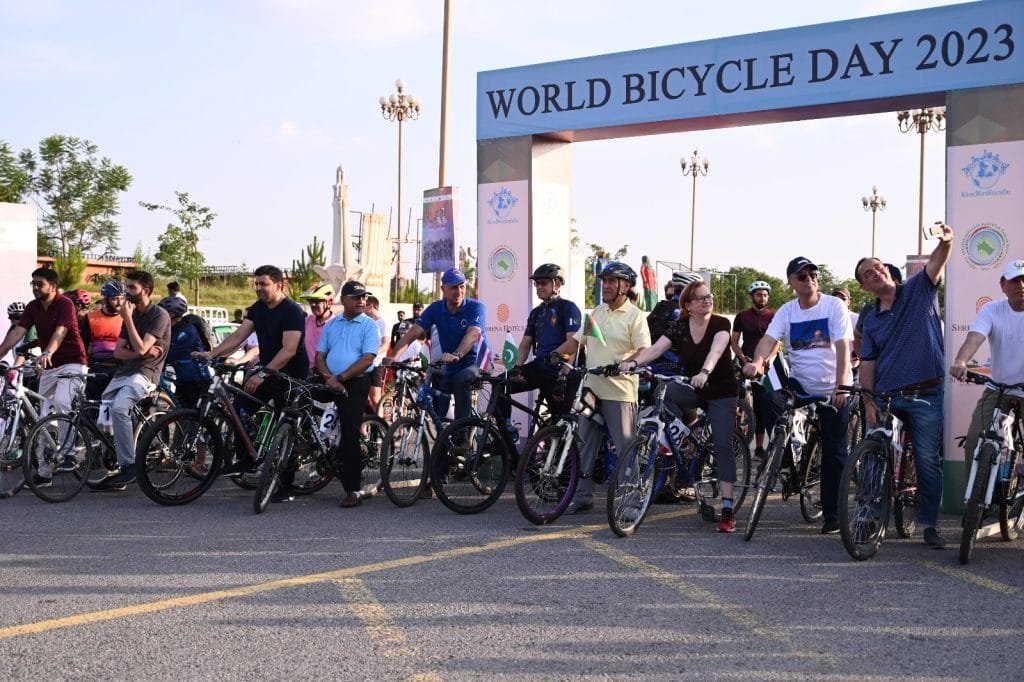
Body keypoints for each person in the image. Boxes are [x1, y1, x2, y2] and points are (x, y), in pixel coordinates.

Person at [855, 226, 952, 549]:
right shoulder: (871, 320)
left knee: (926, 458)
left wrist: (946, 241)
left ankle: (928, 524)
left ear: (887, 269)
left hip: (927, 394)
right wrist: (868, 401)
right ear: (864, 285)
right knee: (872, 452)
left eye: (878, 266)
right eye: (868, 273)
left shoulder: (918, 289)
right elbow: (867, 363)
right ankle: (867, 516)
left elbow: (937, 263)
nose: (875, 272)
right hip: (887, 397)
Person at [620, 279, 740, 532]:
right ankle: (676, 442)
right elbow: (655, 349)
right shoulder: (680, 327)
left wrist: (705, 372)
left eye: (709, 296)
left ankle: (728, 508)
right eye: (701, 298)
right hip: (692, 386)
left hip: (720, 390)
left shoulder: (720, 323)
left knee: (721, 444)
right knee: (666, 393)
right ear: (688, 305)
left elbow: (717, 351)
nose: (708, 300)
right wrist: (633, 364)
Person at [744, 256, 852, 535]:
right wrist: (757, 362)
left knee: (834, 451)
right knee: (769, 401)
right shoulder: (788, 310)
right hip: (800, 385)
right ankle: (784, 459)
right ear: (791, 282)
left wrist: (841, 384)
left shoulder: (834, 305)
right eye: (802, 276)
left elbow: (842, 346)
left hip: (832, 387)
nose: (810, 280)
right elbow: (769, 340)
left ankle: (832, 515)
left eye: (813, 274)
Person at [555, 261, 650, 514]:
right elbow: (577, 342)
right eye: (604, 281)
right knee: (584, 445)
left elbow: (644, 350)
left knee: (624, 448)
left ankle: (631, 502)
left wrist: (629, 363)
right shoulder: (596, 312)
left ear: (626, 286)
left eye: (611, 281)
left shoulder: (636, 316)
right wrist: (551, 355)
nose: (605, 286)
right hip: (592, 390)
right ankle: (583, 496)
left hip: (620, 392)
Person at [196, 265, 308, 479]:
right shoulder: (258, 309)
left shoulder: (291, 311)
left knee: (286, 424)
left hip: (291, 375)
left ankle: (285, 483)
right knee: (239, 408)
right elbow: (238, 337)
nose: (258, 288)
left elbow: (289, 350)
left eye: (263, 284)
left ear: (279, 285)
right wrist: (212, 355)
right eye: (256, 284)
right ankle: (247, 459)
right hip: (268, 372)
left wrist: (262, 374)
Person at [0, 268, 88, 487]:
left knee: (61, 402)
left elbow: (61, 331)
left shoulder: (65, 304)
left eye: (39, 283)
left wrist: (48, 351)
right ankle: (44, 472)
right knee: (42, 417)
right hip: (49, 367)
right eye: (33, 283)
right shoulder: (33, 307)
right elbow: (17, 333)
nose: (35, 287)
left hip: (73, 363)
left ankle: (69, 454)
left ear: (52, 285)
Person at [90, 271, 171, 492]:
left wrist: (129, 326)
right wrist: (140, 351)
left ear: (145, 291)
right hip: (124, 372)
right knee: (102, 413)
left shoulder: (159, 315)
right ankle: (116, 462)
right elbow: (118, 352)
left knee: (118, 409)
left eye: (132, 288)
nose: (127, 292)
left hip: (145, 373)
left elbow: (142, 347)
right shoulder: (132, 316)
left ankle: (129, 465)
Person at [951, 259, 1024, 481]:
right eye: (1015, 281)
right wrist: (961, 361)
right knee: (974, 438)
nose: (1021, 285)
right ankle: (974, 502)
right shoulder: (992, 309)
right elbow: (975, 338)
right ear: (1003, 285)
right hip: (998, 387)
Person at [313, 280, 380, 508]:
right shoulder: (332, 324)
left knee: (350, 433)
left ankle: (352, 489)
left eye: (364, 297)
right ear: (344, 300)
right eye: (356, 297)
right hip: (329, 379)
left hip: (355, 382)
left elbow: (367, 359)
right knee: (297, 400)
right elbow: (320, 356)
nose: (362, 301)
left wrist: (341, 378)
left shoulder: (370, 326)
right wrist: (328, 378)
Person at [388, 268, 486, 421]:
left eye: (462, 286)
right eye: (453, 287)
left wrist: (457, 354)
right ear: (443, 289)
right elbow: (413, 333)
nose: (459, 291)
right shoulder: (436, 308)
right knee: (439, 407)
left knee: (461, 380)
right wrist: (393, 357)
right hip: (450, 365)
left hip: (475, 363)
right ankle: (443, 438)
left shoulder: (476, 307)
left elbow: (473, 334)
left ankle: (463, 436)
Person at [512, 263, 582, 418]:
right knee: (500, 385)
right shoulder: (536, 312)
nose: (538, 287)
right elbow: (525, 344)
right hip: (540, 368)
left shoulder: (568, 308)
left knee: (559, 423)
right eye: (536, 284)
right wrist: (516, 366)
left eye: (543, 283)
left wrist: (559, 368)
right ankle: (507, 428)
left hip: (559, 372)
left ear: (556, 284)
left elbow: (573, 344)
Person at [731, 280, 776, 458]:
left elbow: (776, 343)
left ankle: (759, 447)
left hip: (764, 364)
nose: (762, 298)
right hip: (744, 359)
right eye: (758, 294)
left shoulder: (773, 316)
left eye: (765, 295)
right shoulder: (742, 316)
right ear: (752, 297)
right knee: (735, 402)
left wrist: (766, 360)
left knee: (761, 405)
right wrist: (742, 358)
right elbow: (734, 341)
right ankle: (735, 442)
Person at [159, 296, 210, 408]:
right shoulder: (172, 329)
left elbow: (171, 353)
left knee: (189, 416)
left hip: (196, 380)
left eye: (162, 312)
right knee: (180, 413)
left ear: (171, 315)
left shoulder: (187, 331)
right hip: (183, 378)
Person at [80, 279, 126, 399]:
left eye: (122, 298)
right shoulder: (90, 318)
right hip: (96, 368)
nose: (119, 302)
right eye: (114, 299)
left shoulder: (128, 319)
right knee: (91, 407)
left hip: (119, 368)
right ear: (105, 299)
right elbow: (82, 345)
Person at [299, 281, 335, 372]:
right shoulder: (307, 321)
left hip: (327, 373)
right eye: (310, 301)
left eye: (317, 301)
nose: (312, 305)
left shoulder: (337, 325)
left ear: (329, 302)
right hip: (305, 371)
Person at [364, 293, 389, 411]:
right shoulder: (366, 322)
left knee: (375, 399)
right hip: (363, 364)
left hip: (376, 364)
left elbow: (385, 345)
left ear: (372, 306)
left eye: (365, 306)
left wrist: (372, 353)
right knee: (364, 398)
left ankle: (380, 425)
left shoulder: (382, 323)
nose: (363, 309)